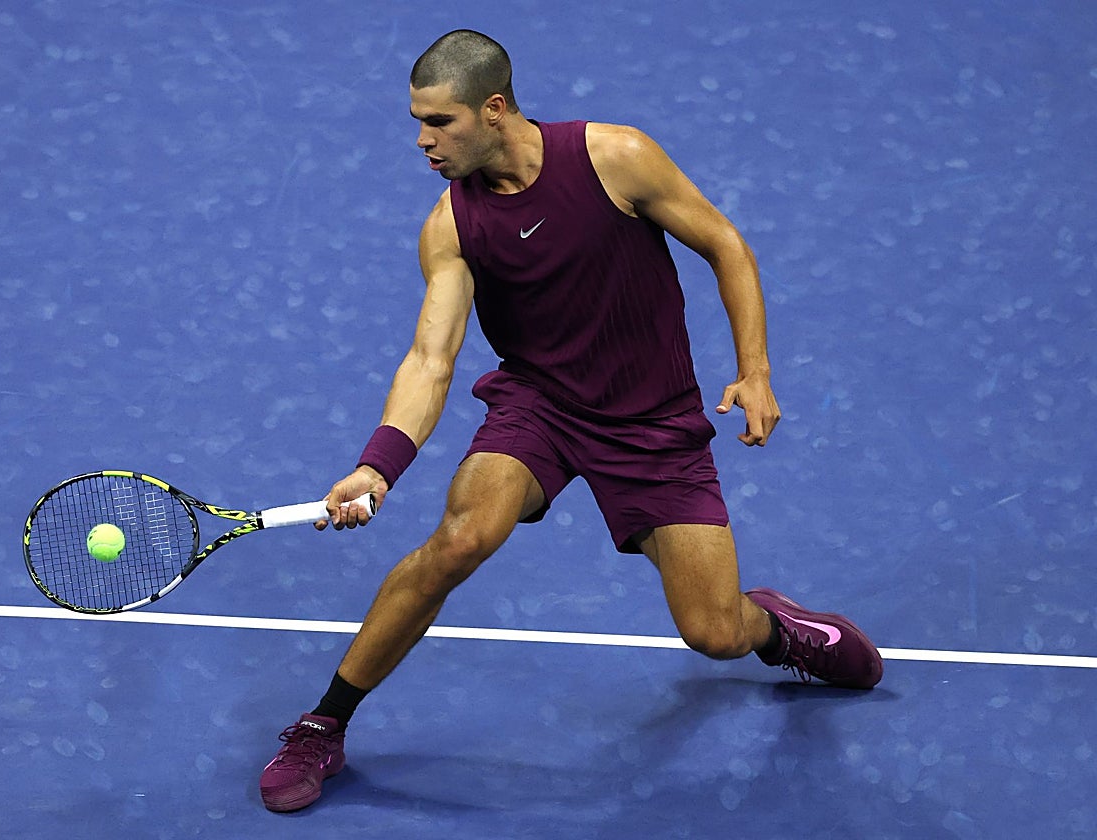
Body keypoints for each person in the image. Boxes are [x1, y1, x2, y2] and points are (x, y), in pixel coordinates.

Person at [259, 29, 884, 813]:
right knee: (460, 539)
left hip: (652, 420)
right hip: (541, 406)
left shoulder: (616, 158)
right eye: (417, 122)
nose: (423, 141)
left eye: (439, 122)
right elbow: (430, 360)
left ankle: (779, 631)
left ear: (493, 109)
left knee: (714, 633)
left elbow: (726, 244)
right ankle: (323, 724)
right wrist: (378, 465)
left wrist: (754, 370)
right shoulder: (451, 226)